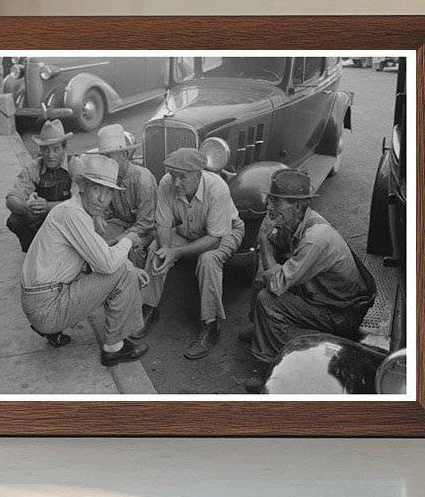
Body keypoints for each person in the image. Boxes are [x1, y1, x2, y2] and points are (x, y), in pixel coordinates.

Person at [240, 169, 377, 393]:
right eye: (271, 200)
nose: (270, 207)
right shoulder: (296, 221)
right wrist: (270, 247)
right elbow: (279, 249)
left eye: (277, 202)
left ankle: (270, 367)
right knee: (261, 281)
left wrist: (264, 239)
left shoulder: (316, 237)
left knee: (268, 299)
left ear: (297, 205)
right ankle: (259, 329)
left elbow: (276, 284)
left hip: (342, 314)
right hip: (322, 295)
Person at [20, 153, 149, 365]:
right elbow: (107, 264)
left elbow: (98, 254)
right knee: (122, 271)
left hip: (39, 301)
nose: (102, 198)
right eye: (97, 188)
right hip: (46, 308)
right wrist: (130, 240)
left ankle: (53, 330)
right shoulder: (73, 214)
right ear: (83, 187)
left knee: (122, 266)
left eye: (108, 192)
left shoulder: (73, 209)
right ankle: (113, 348)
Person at [141, 147, 244, 359]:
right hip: (189, 230)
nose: (176, 183)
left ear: (199, 175)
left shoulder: (217, 188)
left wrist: (175, 252)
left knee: (208, 260)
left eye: (183, 177)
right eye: (173, 175)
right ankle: (149, 306)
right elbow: (163, 223)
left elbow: (214, 239)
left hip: (224, 232)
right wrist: (166, 249)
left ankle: (210, 324)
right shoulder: (166, 183)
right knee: (155, 249)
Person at [88, 124, 157, 268]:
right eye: (103, 156)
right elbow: (104, 208)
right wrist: (98, 215)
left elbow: (145, 225)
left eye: (109, 156)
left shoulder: (143, 180)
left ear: (125, 155)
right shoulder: (109, 175)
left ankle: (137, 283)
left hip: (146, 231)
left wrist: (117, 240)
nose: (106, 161)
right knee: (92, 237)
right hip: (121, 224)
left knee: (132, 249)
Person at [4, 120, 73, 252]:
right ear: (40, 150)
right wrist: (26, 209)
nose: (50, 155)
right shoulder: (34, 167)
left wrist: (48, 206)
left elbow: (79, 203)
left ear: (65, 148)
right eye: (45, 149)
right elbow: (12, 198)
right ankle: (32, 252)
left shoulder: (75, 165)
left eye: (56, 149)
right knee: (15, 220)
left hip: (67, 219)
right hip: (44, 219)